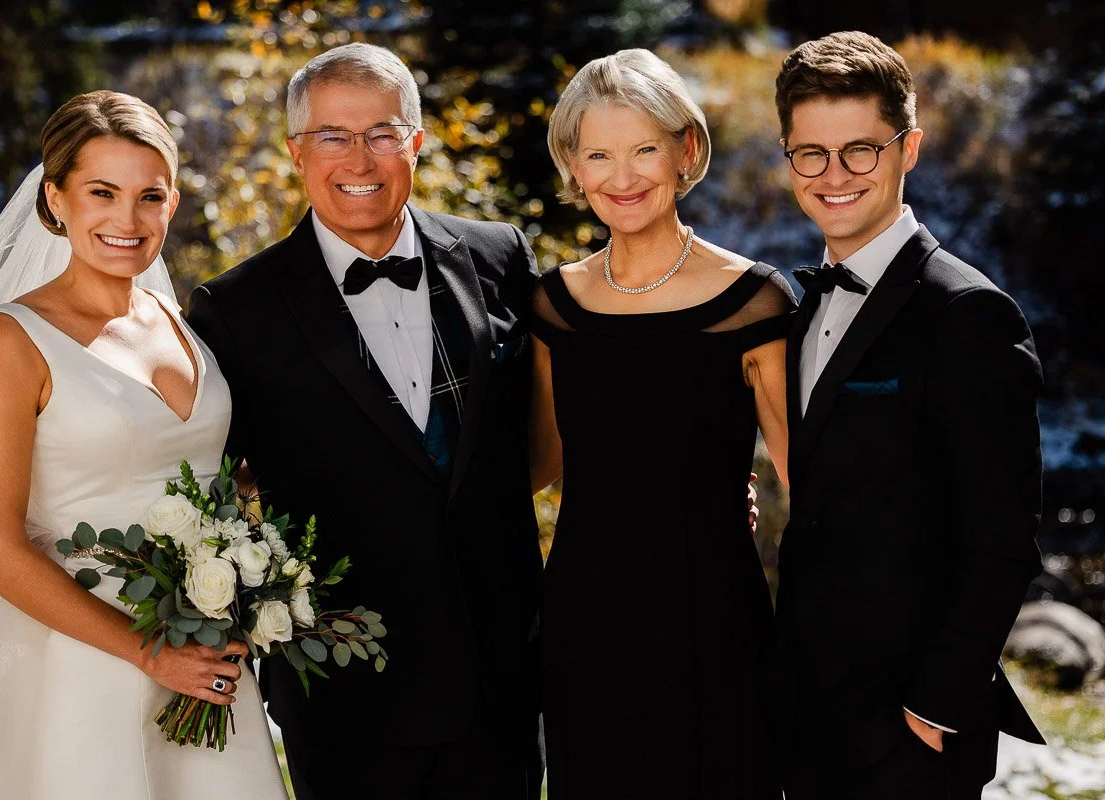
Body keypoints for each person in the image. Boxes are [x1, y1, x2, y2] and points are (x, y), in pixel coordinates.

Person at [0, 91, 288, 800]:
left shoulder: (179, 321)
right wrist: (152, 654)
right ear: (56, 199)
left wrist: (251, 575)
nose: (127, 219)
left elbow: (212, 481)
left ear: (172, 205)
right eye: (101, 192)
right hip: (87, 662)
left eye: (150, 196)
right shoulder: (12, 340)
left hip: (204, 659)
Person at [185, 43, 544, 799]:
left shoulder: (501, 255)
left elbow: (554, 427)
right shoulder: (234, 309)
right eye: (332, 136)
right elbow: (210, 500)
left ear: (416, 140)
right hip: (341, 690)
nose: (360, 157)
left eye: (382, 132)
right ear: (295, 152)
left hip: (502, 674)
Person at [770, 31, 1046, 800]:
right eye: (811, 153)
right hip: (807, 710)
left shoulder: (969, 315)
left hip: (911, 732)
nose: (834, 176)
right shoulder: (794, 306)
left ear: (908, 149)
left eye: (861, 150)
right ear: (788, 156)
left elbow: (1004, 538)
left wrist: (935, 704)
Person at [528, 48, 793, 799]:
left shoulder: (756, 300)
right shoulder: (554, 305)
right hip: (585, 626)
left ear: (687, 151)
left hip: (715, 625)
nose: (623, 176)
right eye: (599, 154)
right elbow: (532, 466)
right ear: (573, 169)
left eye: (645, 148)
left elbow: (813, 482)